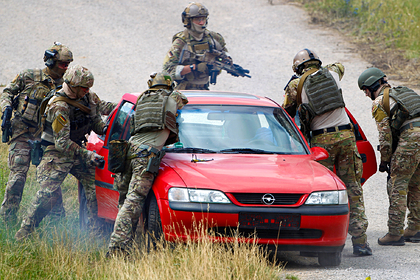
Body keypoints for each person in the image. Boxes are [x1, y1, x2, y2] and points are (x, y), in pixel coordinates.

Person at [283, 49, 372, 256]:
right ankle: (360, 243)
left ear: (298, 68)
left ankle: (319, 244)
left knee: (322, 192)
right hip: (347, 137)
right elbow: (339, 65)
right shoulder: (332, 73)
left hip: (321, 140)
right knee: (353, 188)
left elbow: (287, 112)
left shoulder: (296, 85)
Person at [14, 65, 106, 240]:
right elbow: (62, 143)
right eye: (84, 88)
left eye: (89, 88)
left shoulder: (89, 98)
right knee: (47, 195)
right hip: (56, 153)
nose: (87, 91)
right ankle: (24, 232)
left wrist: (107, 126)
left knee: (94, 186)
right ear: (73, 85)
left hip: (76, 150)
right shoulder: (59, 107)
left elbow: (96, 122)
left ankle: (95, 233)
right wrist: (88, 155)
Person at [107, 72, 188, 256]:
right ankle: (116, 249)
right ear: (169, 86)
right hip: (144, 156)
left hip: (128, 150)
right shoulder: (172, 97)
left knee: (124, 201)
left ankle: (129, 246)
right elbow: (183, 99)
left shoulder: (143, 98)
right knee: (133, 202)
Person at [0, 42, 73, 223]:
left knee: (51, 181)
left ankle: (57, 222)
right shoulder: (29, 76)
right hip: (22, 132)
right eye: (63, 64)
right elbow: (7, 92)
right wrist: (6, 108)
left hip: (47, 138)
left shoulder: (67, 86)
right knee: (17, 177)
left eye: (68, 65)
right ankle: (7, 219)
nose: (66, 68)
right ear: (50, 62)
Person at [358, 67, 420, 246]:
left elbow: (385, 136)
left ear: (370, 87)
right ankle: (415, 227)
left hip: (411, 137)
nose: (365, 94)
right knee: (416, 183)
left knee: (397, 185)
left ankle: (395, 233)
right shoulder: (404, 93)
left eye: (365, 90)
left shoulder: (379, 102)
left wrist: (385, 161)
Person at [163, 2, 229, 90]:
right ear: (188, 21)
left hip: (204, 89)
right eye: (198, 19)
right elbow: (167, 71)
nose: (201, 23)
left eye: (203, 19)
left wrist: (219, 64)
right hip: (184, 91)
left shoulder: (214, 38)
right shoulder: (181, 42)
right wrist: (194, 68)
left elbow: (225, 56)